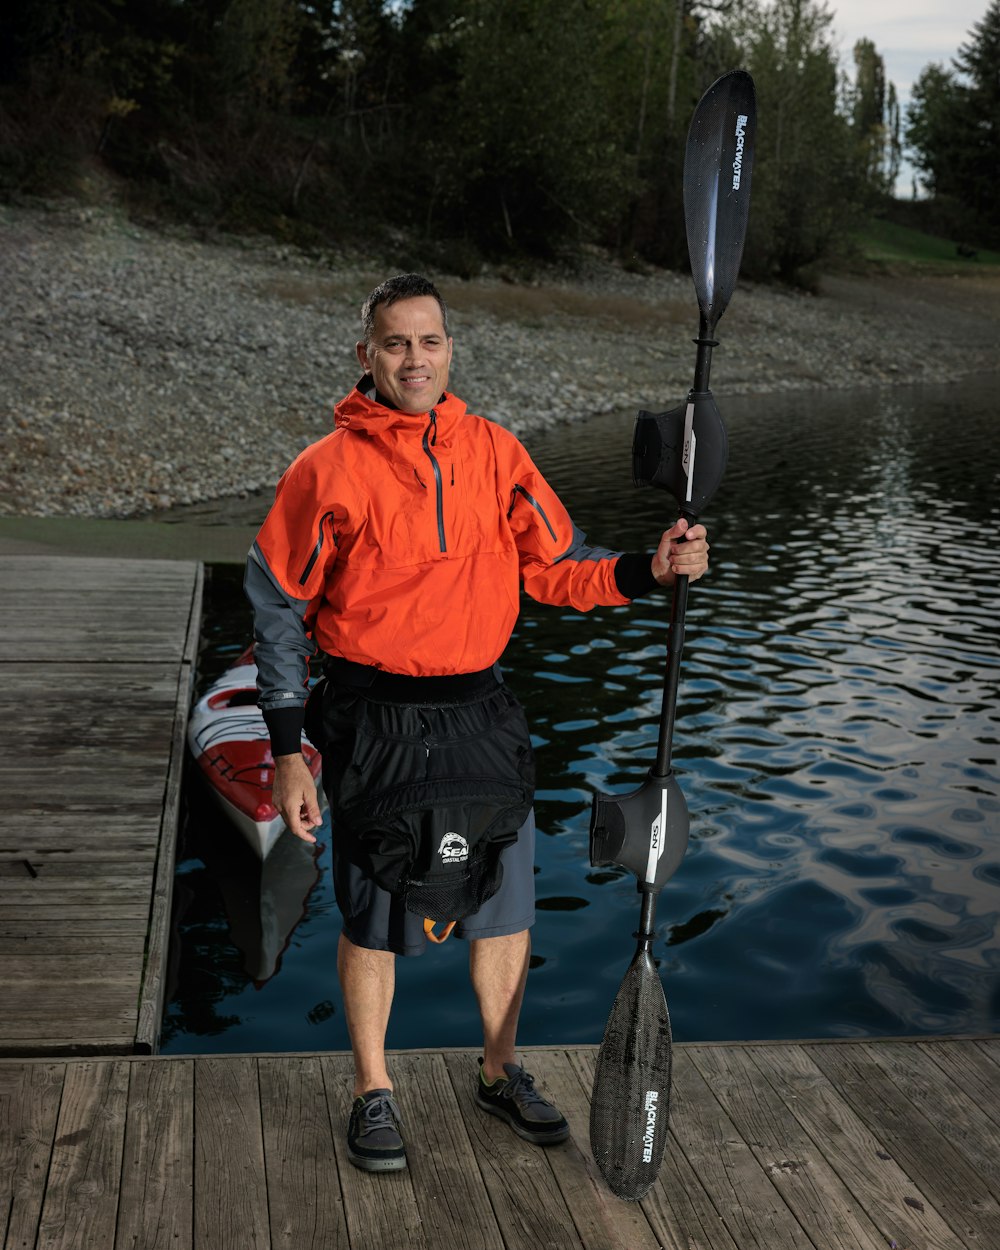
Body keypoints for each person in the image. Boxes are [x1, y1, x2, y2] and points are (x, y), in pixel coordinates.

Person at [245, 273, 710, 1173]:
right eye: (394, 343)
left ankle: (498, 1073)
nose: (413, 359)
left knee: (504, 903)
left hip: (481, 713)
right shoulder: (324, 470)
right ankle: (373, 1091)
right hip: (372, 717)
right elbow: (275, 608)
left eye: (429, 341)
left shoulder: (498, 453)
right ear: (365, 356)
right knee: (373, 913)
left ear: (450, 349)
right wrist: (288, 749)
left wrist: (645, 572)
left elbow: (558, 567)